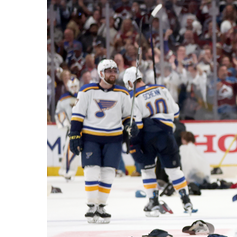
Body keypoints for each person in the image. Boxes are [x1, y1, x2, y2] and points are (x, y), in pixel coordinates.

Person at [68, 59, 138, 223]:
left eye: (115, 71)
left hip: (114, 139)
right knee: (91, 169)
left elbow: (127, 115)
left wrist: (129, 125)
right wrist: (74, 134)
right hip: (91, 137)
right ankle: (91, 206)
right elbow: (78, 114)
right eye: (109, 71)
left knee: (108, 173)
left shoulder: (122, 93)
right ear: (101, 73)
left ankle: (101, 206)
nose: (113, 74)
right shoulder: (87, 90)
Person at [124, 66, 196, 216]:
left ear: (130, 83)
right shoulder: (161, 88)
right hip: (167, 134)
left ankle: (154, 202)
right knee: (174, 170)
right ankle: (186, 201)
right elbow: (175, 111)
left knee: (148, 169)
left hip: (148, 135)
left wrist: (133, 141)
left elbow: (138, 125)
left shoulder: (133, 96)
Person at [55, 76, 81, 181]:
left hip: (87, 126)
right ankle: (67, 171)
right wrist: (64, 123)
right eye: (72, 86)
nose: (74, 88)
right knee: (70, 149)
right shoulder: (63, 98)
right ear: (68, 86)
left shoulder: (84, 95)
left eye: (75, 86)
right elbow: (59, 112)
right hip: (73, 128)